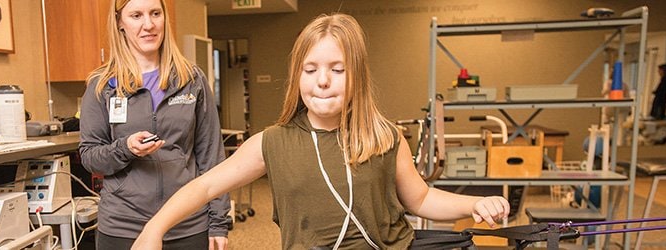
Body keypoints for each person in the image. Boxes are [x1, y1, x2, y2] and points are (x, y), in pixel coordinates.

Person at [131, 13, 509, 249]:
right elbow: (206, 186)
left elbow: (421, 200)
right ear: (297, 76)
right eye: (310, 70)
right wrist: (154, 228)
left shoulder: (384, 136)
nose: (323, 81)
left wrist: (473, 203)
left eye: (337, 69)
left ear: (356, 75)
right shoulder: (273, 142)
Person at [78, 0, 230, 249]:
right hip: (123, 224)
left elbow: (211, 156)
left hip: (187, 222)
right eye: (136, 15)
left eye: (155, 13)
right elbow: (90, 156)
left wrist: (219, 221)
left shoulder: (191, 79)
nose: (148, 25)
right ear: (120, 22)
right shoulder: (102, 84)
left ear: (164, 18)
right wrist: (125, 148)